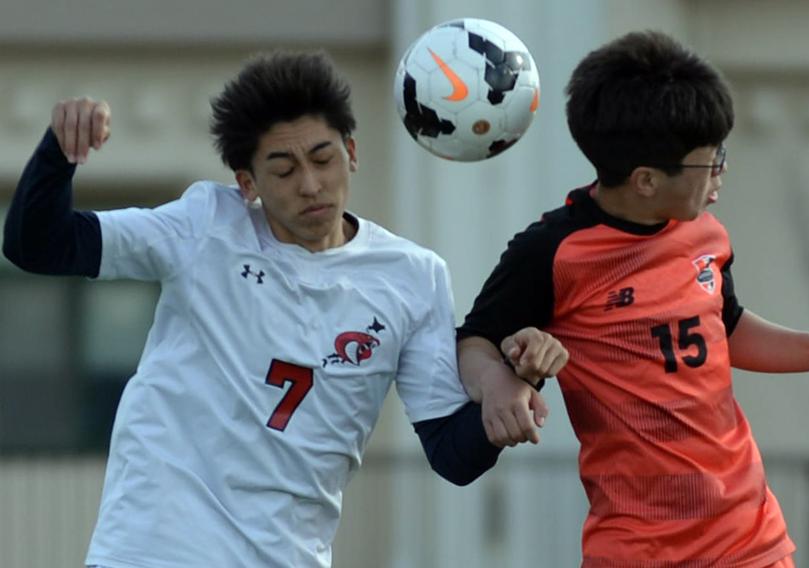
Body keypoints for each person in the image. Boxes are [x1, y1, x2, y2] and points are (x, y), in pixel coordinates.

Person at [2, 50, 567, 568]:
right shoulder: (204, 225)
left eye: (323, 158)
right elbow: (39, 245)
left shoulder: (413, 277)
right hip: (156, 546)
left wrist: (509, 388)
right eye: (283, 169)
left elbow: (453, 455)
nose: (311, 184)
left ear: (351, 152)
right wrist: (59, 152)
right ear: (247, 183)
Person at [456, 30, 809, 568]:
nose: (721, 172)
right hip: (639, 549)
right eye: (707, 162)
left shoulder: (705, 234)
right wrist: (499, 381)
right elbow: (473, 340)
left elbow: (725, 328)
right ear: (644, 180)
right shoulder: (551, 252)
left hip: (751, 540)